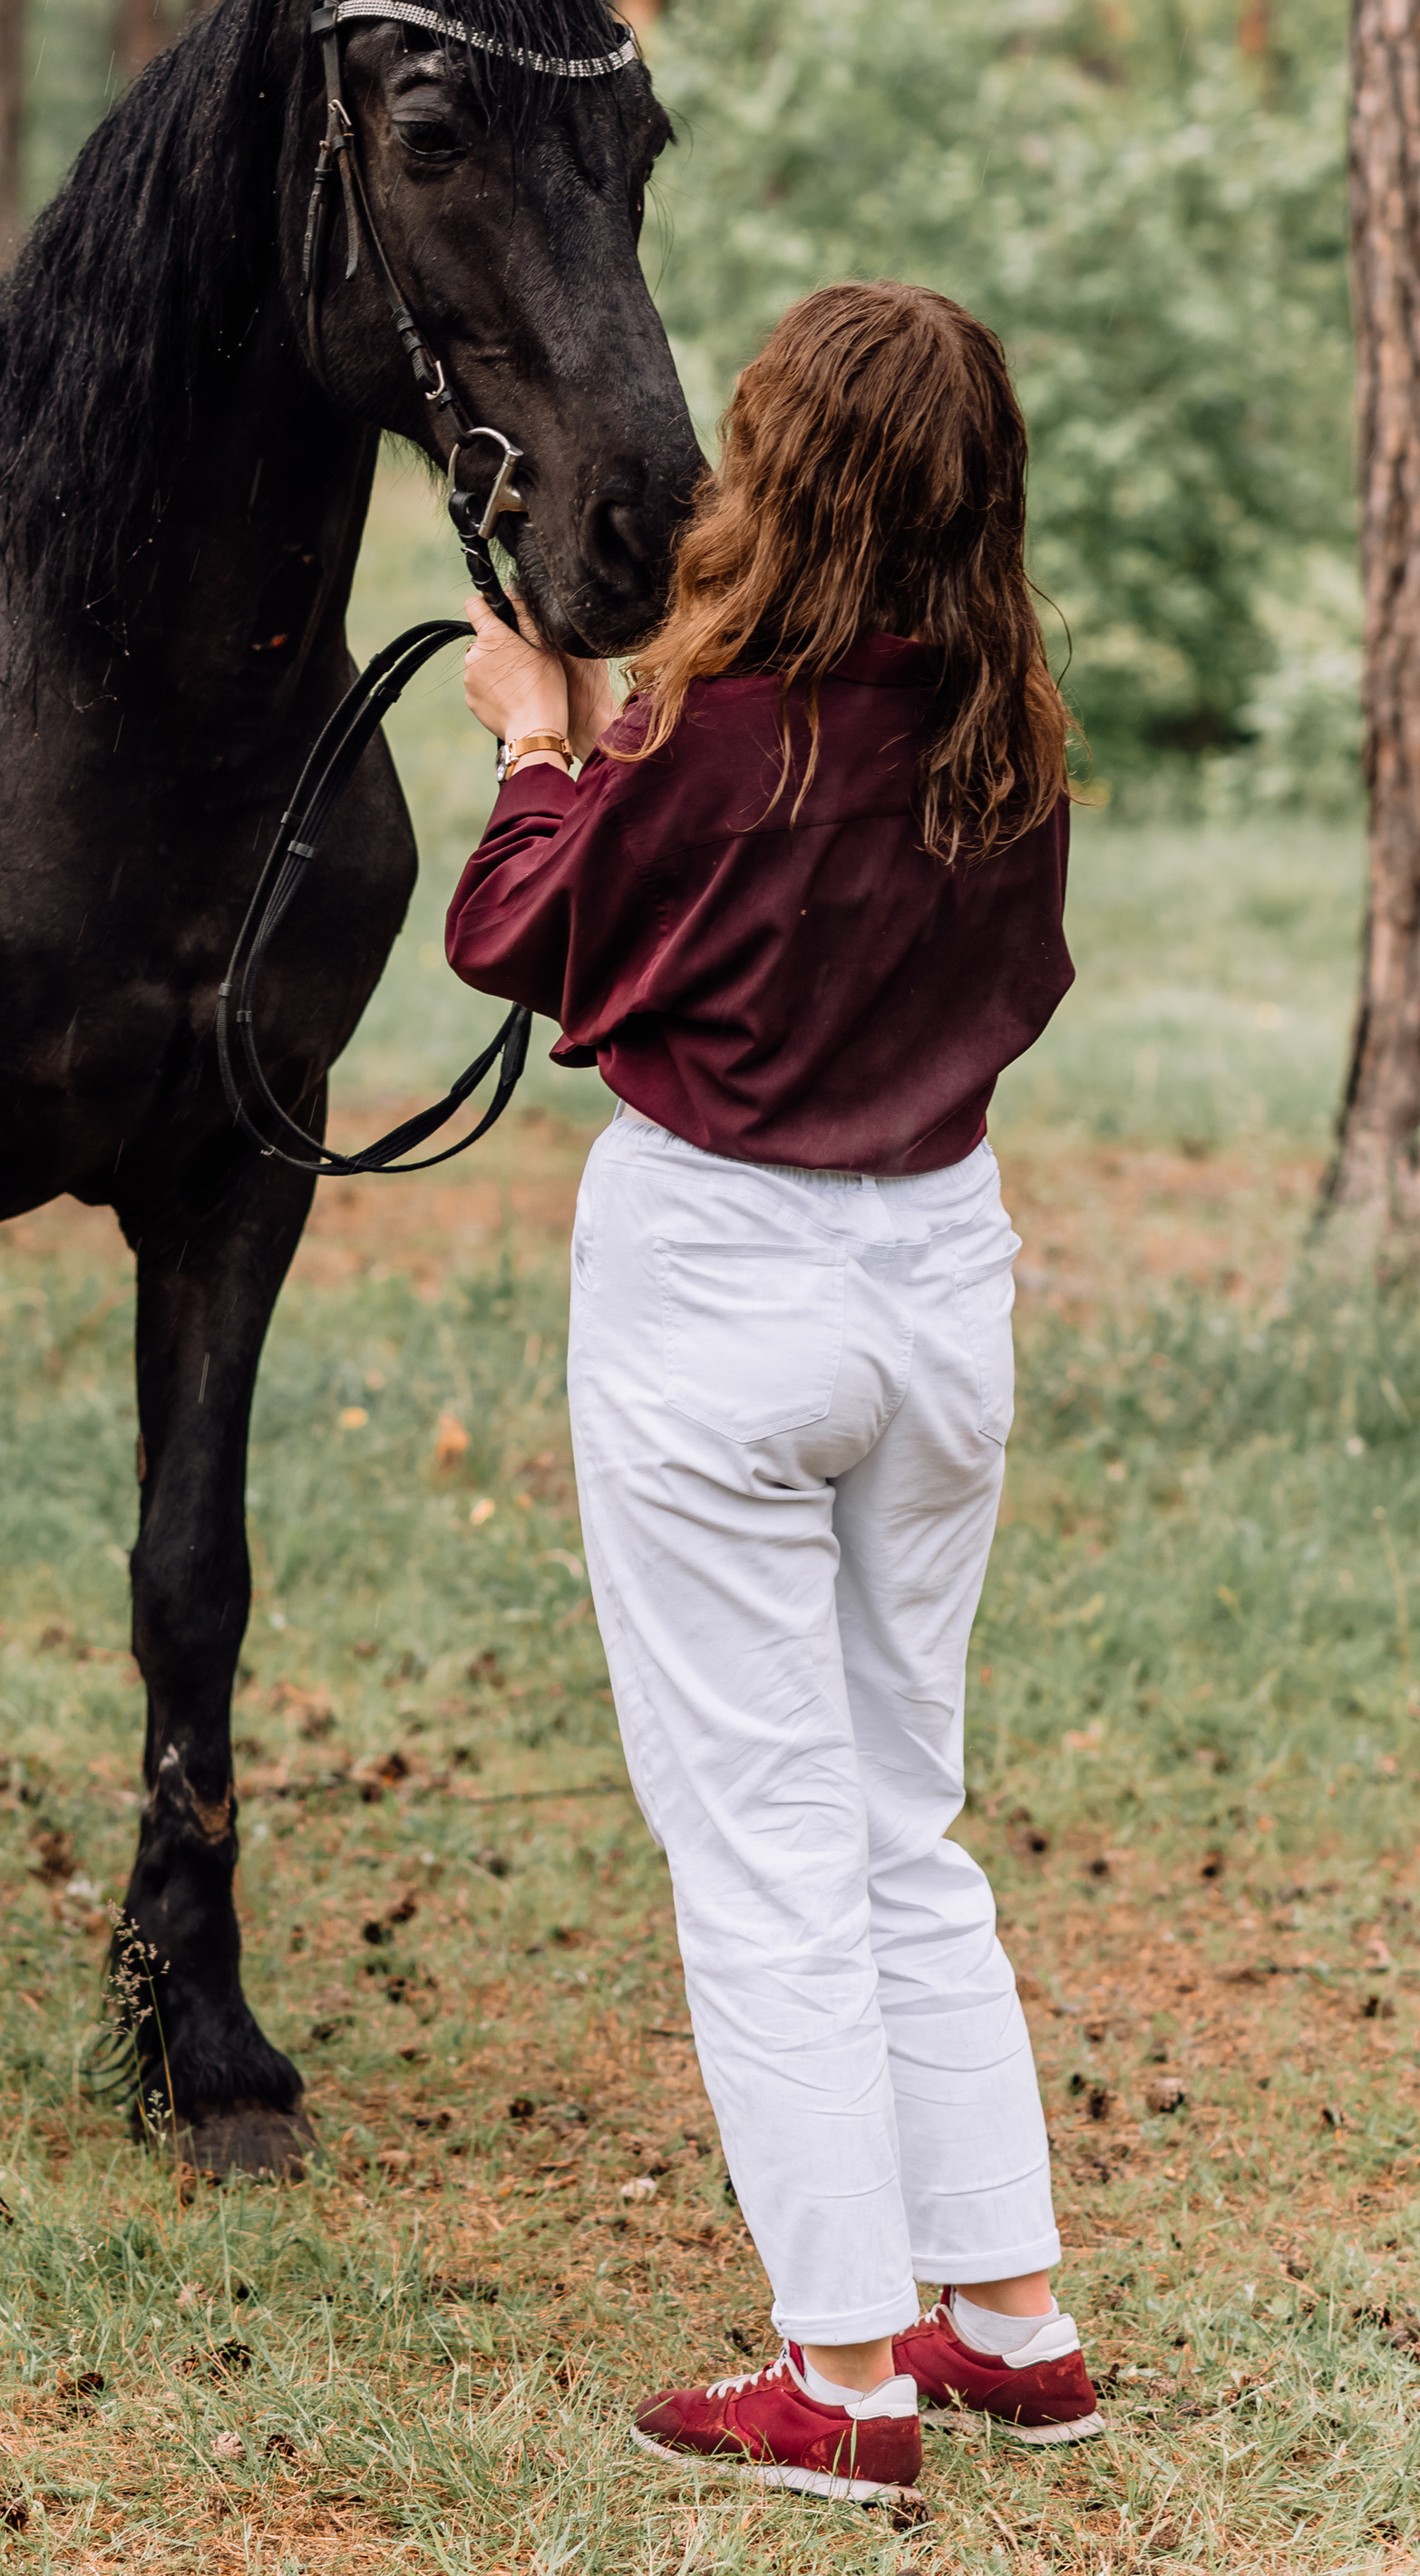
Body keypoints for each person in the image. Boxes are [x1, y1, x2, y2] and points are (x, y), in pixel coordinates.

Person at [446, 282, 1100, 2512]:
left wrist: (537, 746)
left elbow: (520, 936)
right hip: (941, 1288)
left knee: (758, 1856)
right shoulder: (1002, 720)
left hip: (725, 1288)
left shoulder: (718, 737)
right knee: (897, 1818)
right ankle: (1004, 2318)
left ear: (780, 474)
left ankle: (840, 2377)